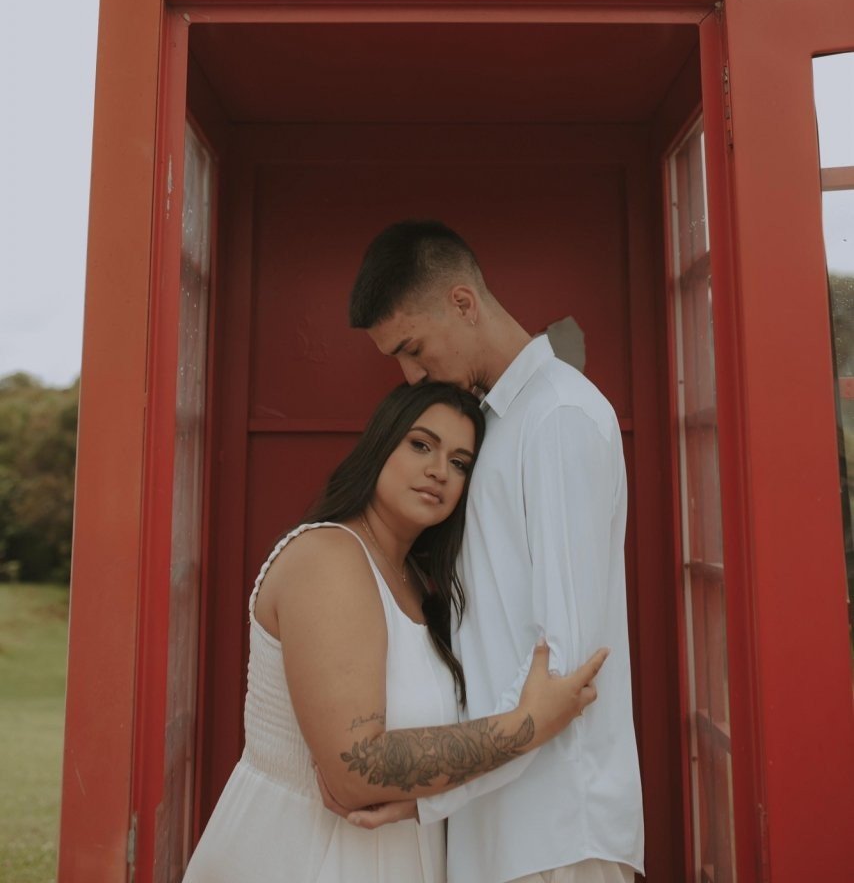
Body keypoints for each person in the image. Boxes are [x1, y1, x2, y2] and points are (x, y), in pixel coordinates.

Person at [182, 379, 608, 883]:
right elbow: (356, 768)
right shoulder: (328, 558)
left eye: (460, 463)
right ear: (381, 445)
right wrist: (527, 726)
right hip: (301, 856)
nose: (439, 471)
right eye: (421, 445)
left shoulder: (419, 584)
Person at [339, 221, 644, 883]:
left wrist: (430, 794)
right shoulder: (492, 426)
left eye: (413, 348)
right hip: (499, 826)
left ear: (463, 302)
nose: (411, 375)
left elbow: (564, 666)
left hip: (558, 834)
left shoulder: (558, 417)